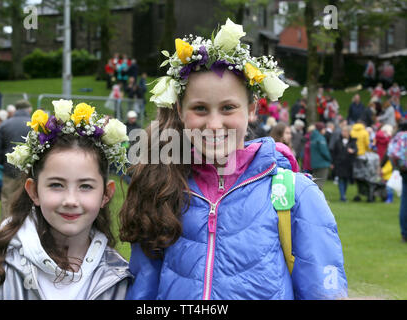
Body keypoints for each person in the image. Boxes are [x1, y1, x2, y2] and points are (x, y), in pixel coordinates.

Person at [120, 19, 347, 300]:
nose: (214, 124)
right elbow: (143, 293)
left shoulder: (296, 193)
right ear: (180, 110)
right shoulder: (162, 187)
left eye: (228, 108)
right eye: (200, 109)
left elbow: (324, 292)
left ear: (252, 108)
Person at [0, 100, 132, 299]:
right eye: (56, 185)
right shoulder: (3, 275)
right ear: (34, 191)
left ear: (106, 194)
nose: (70, 200)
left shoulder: (120, 279)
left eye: (85, 186)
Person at [0, 100, 33, 220]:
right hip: (29, 171)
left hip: (9, 170)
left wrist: (4, 163)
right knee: (27, 202)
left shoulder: (5, 124)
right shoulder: (34, 124)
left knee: (7, 201)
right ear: (29, 109)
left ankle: (5, 232)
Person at [387, 120, 407, 242]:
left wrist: (398, 166)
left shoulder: (398, 137)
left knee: (404, 202)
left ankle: (404, 234)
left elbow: (391, 153)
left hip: (404, 172)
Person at [331, 125, 357, 202]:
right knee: (341, 179)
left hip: (348, 164)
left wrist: (353, 151)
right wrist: (332, 163)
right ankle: (342, 196)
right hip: (339, 163)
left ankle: (343, 195)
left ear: (349, 133)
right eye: (343, 131)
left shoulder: (353, 142)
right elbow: (334, 152)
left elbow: (356, 150)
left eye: (345, 131)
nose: (343, 133)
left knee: (346, 180)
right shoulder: (338, 141)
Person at [310, 122, 332, 190]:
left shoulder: (313, 137)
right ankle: (318, 199)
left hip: (314, 163)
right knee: (320, 183)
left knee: (315, 181)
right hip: (322, 163)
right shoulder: (321, 138)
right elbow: (324, 152)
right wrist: (330, 159)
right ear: (321, 129)